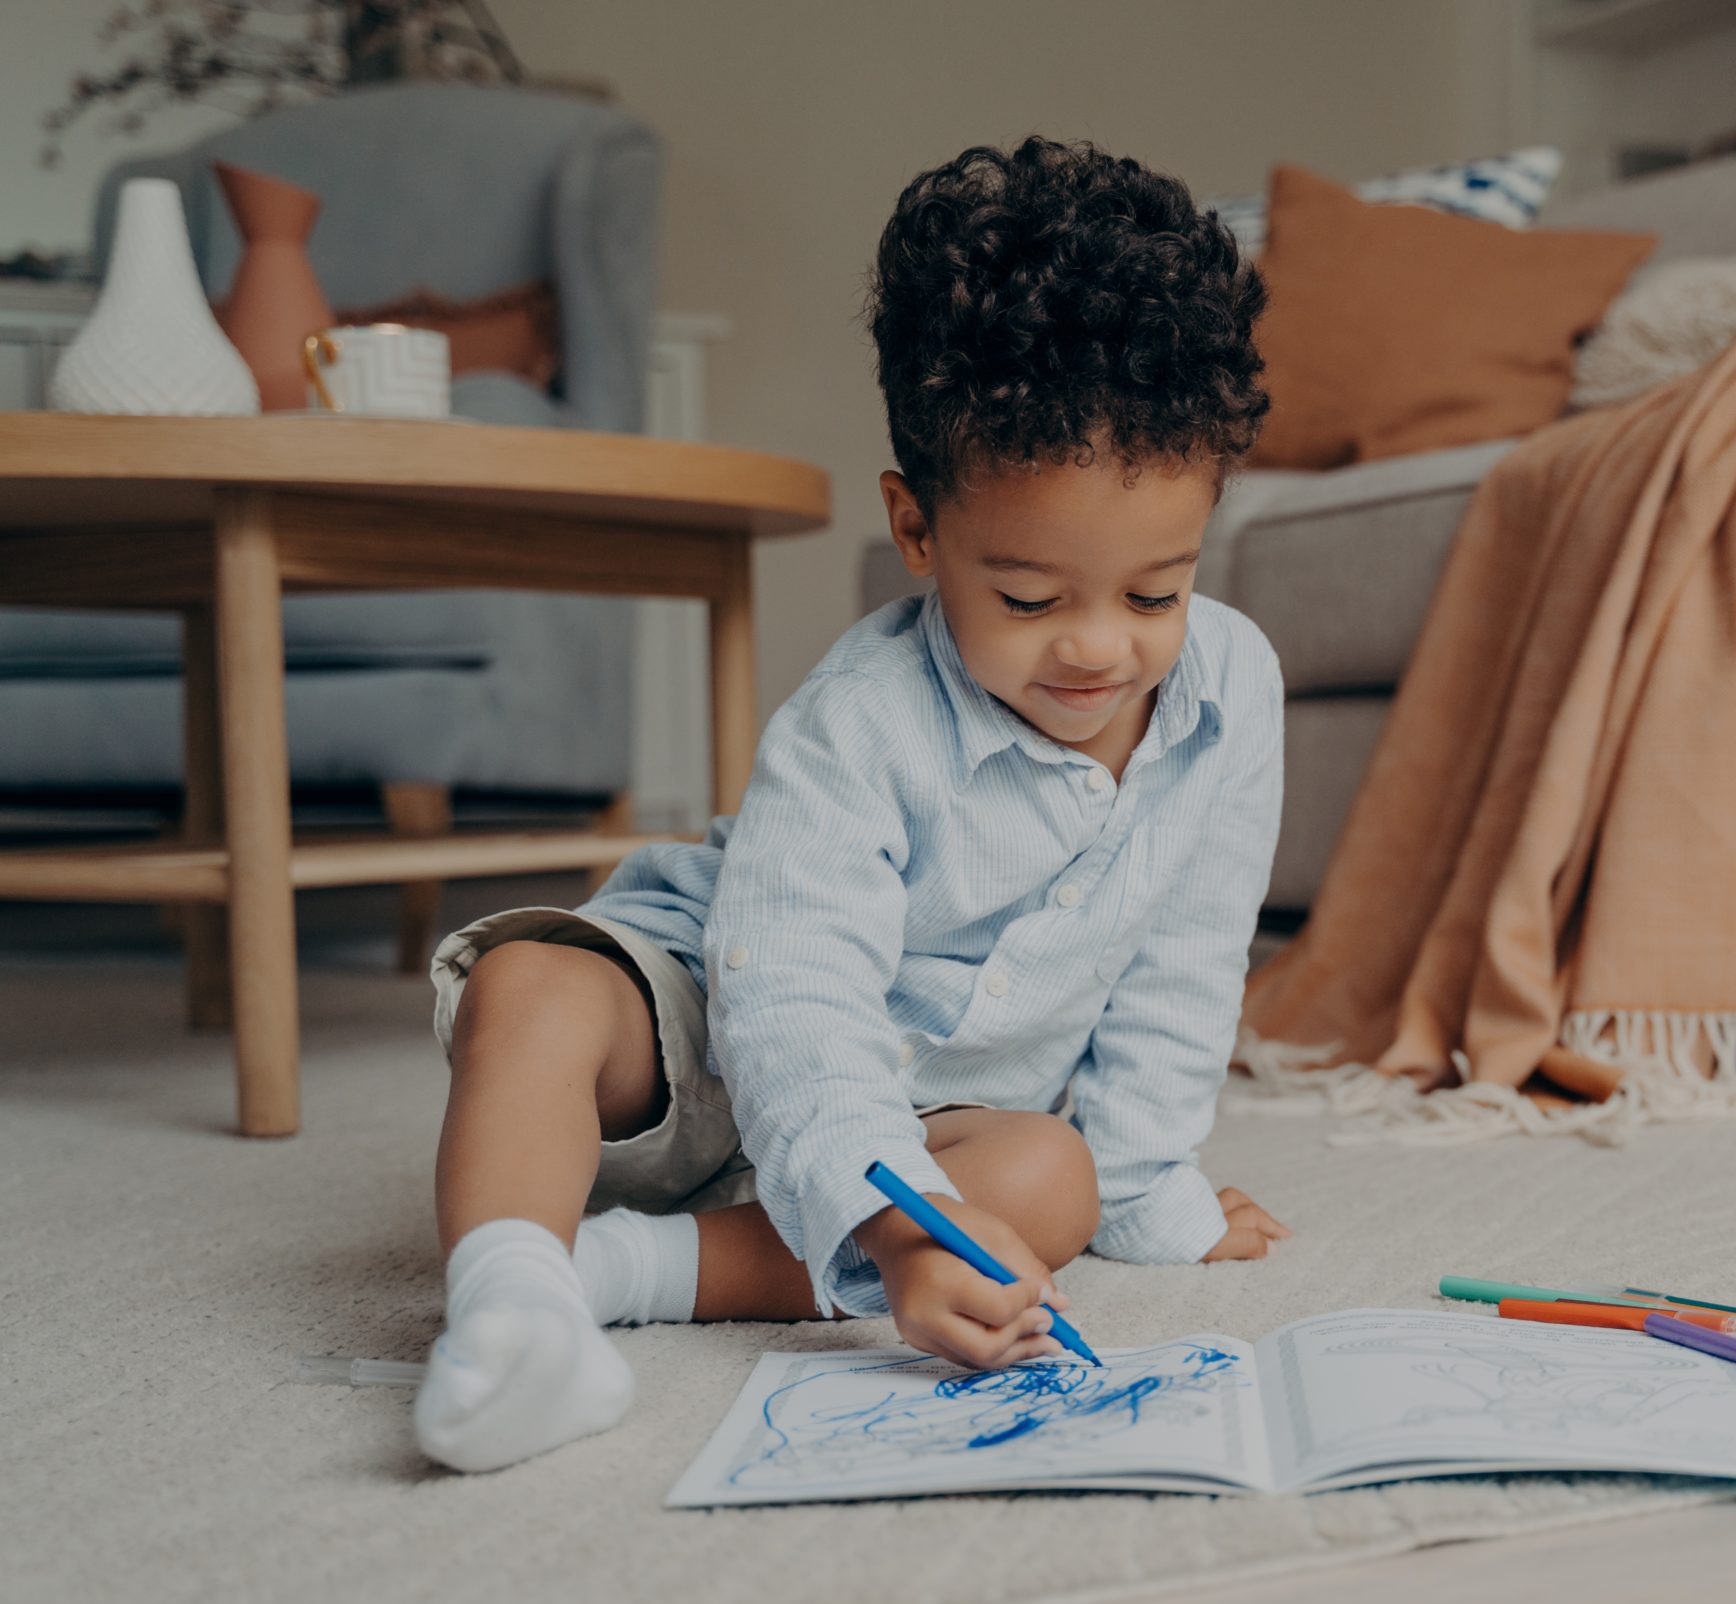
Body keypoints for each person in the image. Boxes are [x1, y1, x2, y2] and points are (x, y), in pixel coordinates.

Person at [411, 136, 1292, 1473]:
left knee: (1059, 1183)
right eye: (1032, 599)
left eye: (1155, 594)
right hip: (720, 1020)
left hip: (932, 1109)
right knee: (528, 991)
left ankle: (611, 1272)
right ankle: (503, 1297)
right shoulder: (857, 720)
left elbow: (1186, 963)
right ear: (918, 529)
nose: (1099, 650)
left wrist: (1150, 1193)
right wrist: (888, 1232)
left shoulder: (1233, 691)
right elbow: (798, 998)